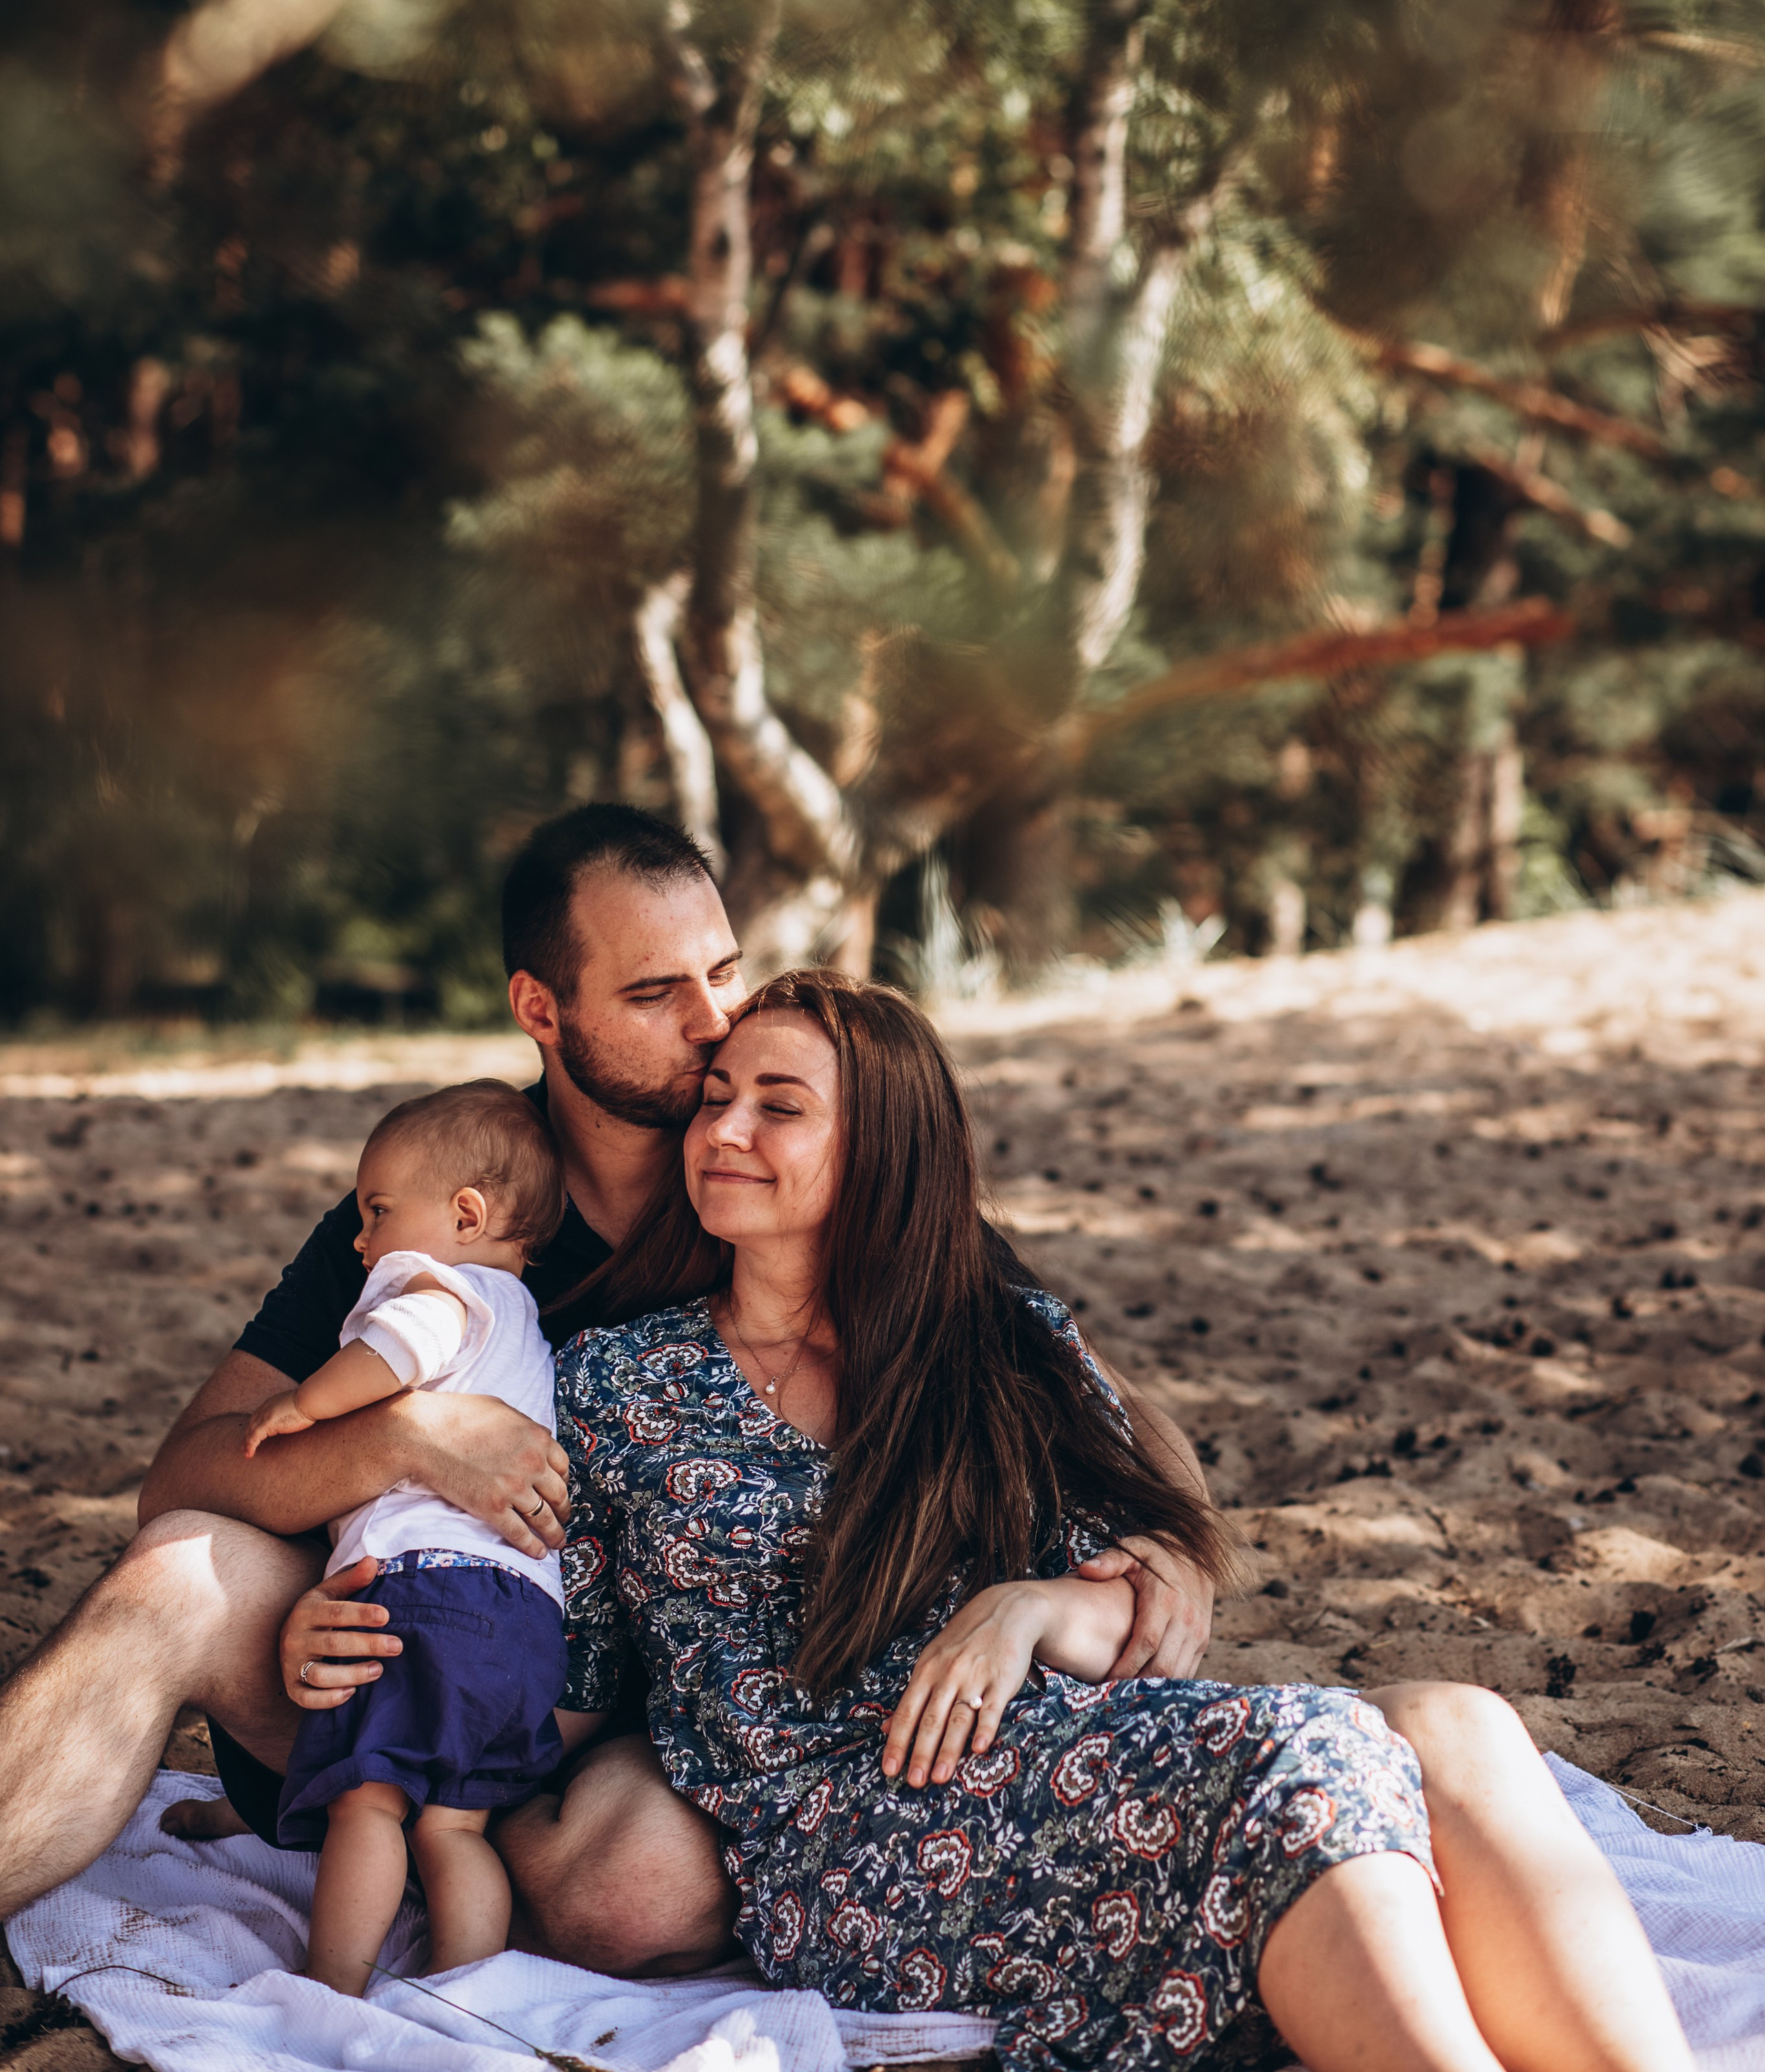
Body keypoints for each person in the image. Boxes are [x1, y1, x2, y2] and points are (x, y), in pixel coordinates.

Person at [0, 802, 1211, 1974]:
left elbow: (1083, 1392)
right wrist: (407, 1440)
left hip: (664, 1709)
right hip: (397, 1631)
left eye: (723, 971)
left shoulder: (795, 1172)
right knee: (175, 1576)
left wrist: (1175, 1555)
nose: (713, 1021)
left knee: (632, 1891)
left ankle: (429, 1861)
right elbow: (187, 1474)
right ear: (543, 1008)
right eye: (653, 993)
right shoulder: (449, 1194)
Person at [538, 969, 1693, 2072]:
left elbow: (1143, 1608)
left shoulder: (1002, 1341)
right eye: (716, 1098)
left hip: (1059, 1745)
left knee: (1459, 1721)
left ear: (883, 1150)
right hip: (853, 1842)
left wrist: (1029, 1607)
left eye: (779, 1106)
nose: (725, 1130)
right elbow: (568, 1683)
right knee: (1300, 1759)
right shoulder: (614, 1378)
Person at [243, 1079, 569, 1994]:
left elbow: (401, 1348)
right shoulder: (523, 1320)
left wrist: (308, 1402)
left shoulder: (437, 1284)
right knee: (454, 1827)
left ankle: (332, 1984)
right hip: (525, 1621)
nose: (361, 1240)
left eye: (378, 1211)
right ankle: (463, 1991)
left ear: (466, 1215)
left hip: (427, 1593)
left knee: (368, 1803)